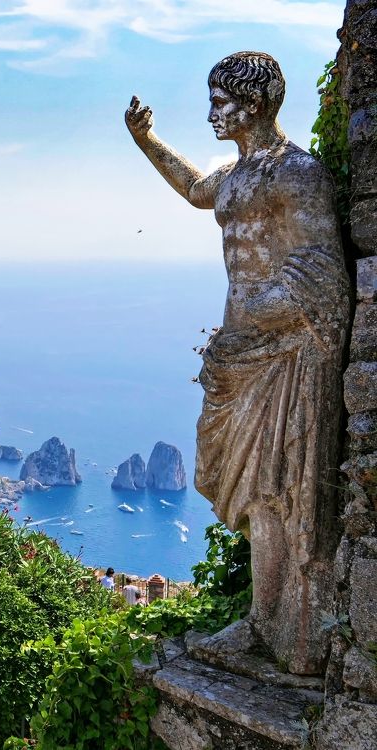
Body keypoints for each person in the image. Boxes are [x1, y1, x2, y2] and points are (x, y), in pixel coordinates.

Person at [125, 51, 350, 674]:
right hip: (240, 354)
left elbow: (322, 276)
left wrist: (254, 318)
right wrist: (147, 141)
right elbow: (198, 189)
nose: (211, 112)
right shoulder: (237, 173)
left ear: (252, 105)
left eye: (220, 101)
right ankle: (263, 619)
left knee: (279, 486)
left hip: (285, 354)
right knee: (249, 489)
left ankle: (291, 633)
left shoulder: (297, 174)